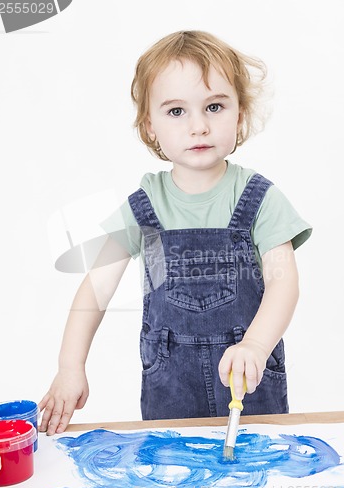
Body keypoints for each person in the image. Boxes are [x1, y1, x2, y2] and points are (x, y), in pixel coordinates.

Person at [39, 30, 312, 435]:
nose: (199, 126)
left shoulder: (259, 199)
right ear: (149, 126)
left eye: (215, 106)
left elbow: (283, 283)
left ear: (240, 114)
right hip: (170, 389)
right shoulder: (144, 206)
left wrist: (255, 345)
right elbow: (95, 288)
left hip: (248, 384)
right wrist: (69, 366)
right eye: (176, 112)